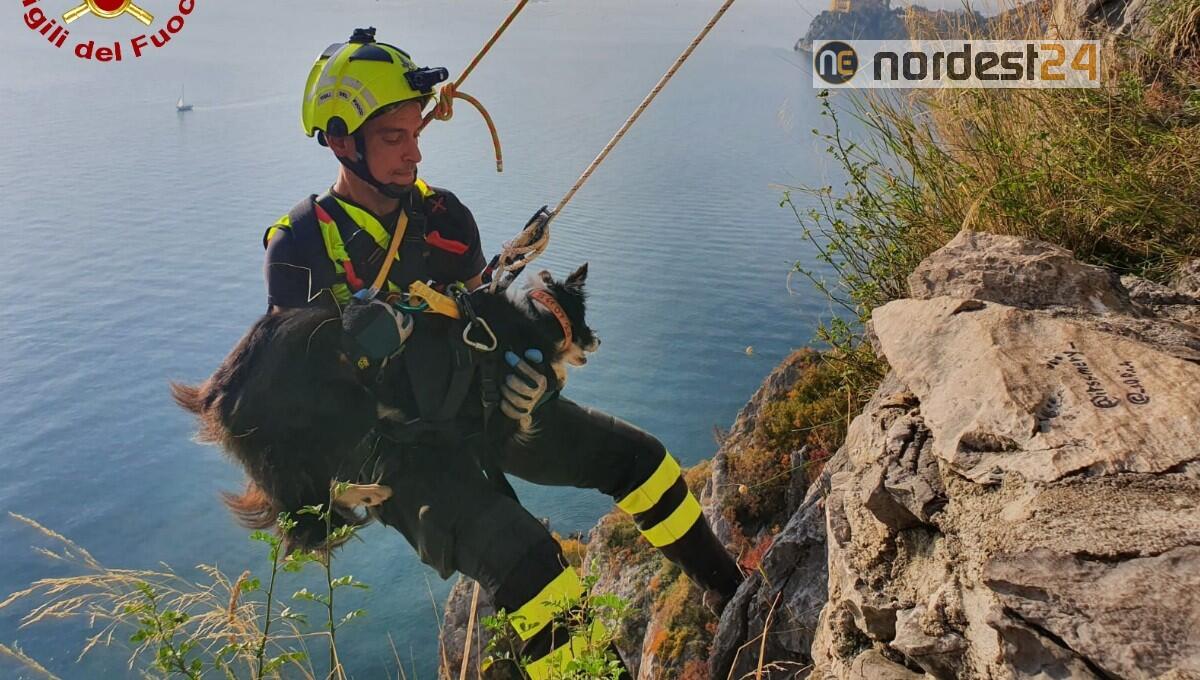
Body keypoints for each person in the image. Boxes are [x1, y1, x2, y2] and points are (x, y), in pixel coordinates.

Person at [262, 27, 743, 678]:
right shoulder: (300, 247)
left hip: (479, 407)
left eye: (415, 133)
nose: (413, 154)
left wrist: (521, 344)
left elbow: (477, 311)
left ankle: (737, 598)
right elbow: (292, 393)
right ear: (343, 142)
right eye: (393, 137)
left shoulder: (445, 217)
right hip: (399, 457)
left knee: (643, 463)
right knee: (530, 565)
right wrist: (359, 346)